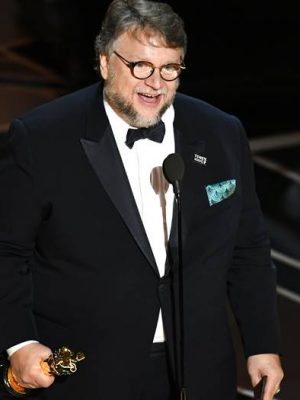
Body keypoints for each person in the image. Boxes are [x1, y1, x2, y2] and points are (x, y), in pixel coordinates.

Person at [0, 0, 284, 399]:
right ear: (104, 62)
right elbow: (7, 251)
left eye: (170, 68)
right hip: (87, 374)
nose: (155, 83)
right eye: (141, 67)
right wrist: (19, 342)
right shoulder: (43, 138)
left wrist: (261, 343)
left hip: (199, 371)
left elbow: (248, 248)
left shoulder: (221, 133)